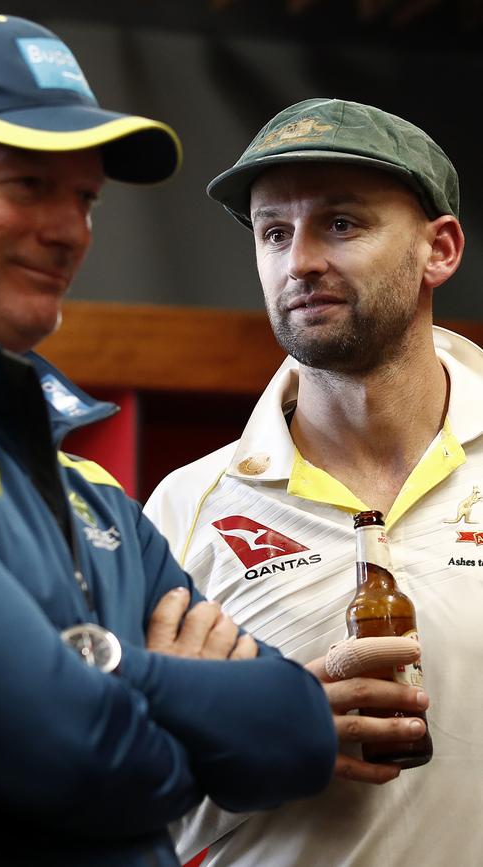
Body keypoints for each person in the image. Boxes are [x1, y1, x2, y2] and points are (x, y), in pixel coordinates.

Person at [0, 15, 342, 867]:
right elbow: (74, 754)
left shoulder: (79, 479)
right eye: (28, 184)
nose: (72, 230)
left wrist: (89, 665)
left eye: (85, 197)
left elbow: (295, 735)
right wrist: (180, 703)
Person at [145, 97, 483, 866]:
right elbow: (116, 797)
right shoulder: (182, 508)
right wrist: (266, 735)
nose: (299, 260)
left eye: (341, 224)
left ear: (440, 249)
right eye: (273, 231)